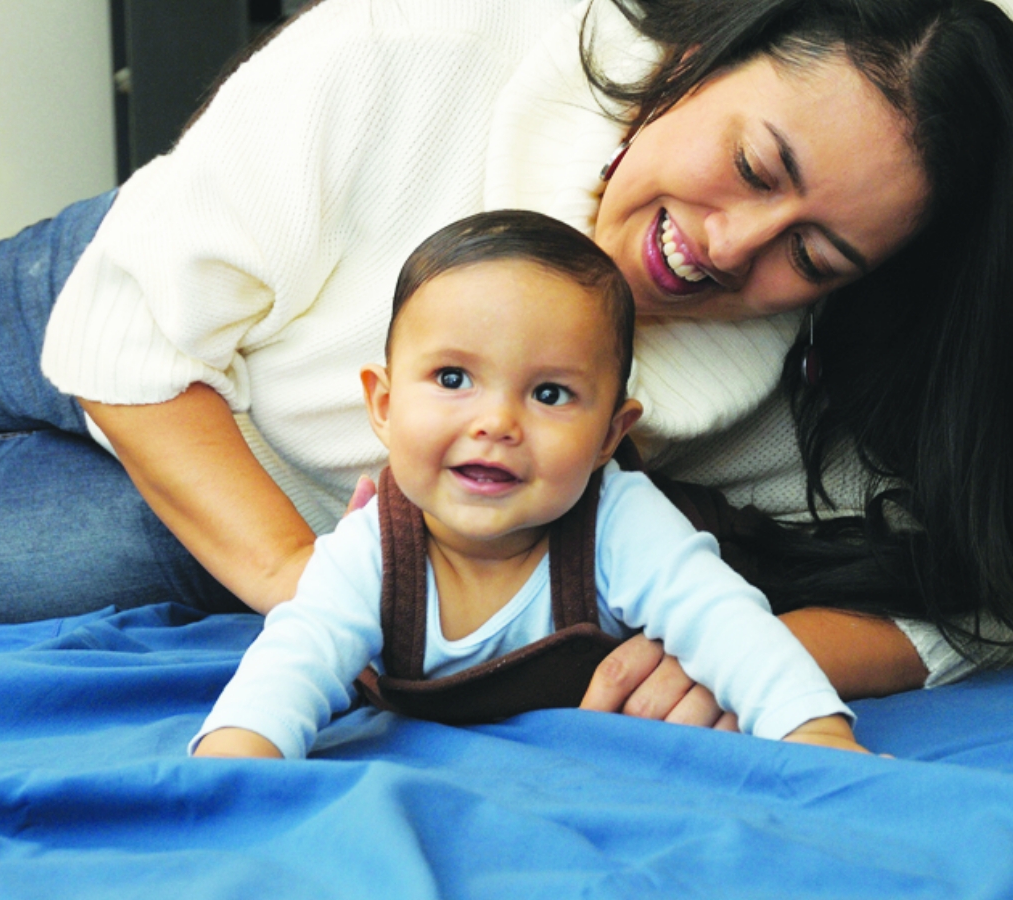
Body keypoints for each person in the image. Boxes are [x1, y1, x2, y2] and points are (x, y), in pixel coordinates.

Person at [0, 0, 1013, 725]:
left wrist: (757, 655)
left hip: (161, 534)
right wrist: (316, 594)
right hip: (107, 311)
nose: (729, 248)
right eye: (751, 166)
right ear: (708, 46)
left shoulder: (801, 386)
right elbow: (129, 338)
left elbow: (990, 599)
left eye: (816, 256)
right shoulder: (411, 52)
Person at [192, 210, 861, 760]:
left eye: (549, 393)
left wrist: (816, 733)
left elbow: (725, 622)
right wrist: (236, 759)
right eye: (453, 379)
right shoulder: (372, 552)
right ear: (385, 405)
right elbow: (294, 658)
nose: (496, 423)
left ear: (608, 435)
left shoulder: (620, 522)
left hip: (742, 549)